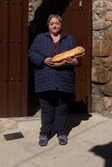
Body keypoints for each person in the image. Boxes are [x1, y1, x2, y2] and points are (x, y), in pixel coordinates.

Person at [28, 14, 79, 146]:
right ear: (48, 25)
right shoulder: (40, 38)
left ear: (61, 25)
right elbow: (31, 53)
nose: (55, 25)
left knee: (62, 109)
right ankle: (44, 134)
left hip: (64, 80)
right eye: (52, 23)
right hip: (45, 79)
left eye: (57, 23)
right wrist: (43, 60)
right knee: (47, 109)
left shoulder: (70, 39)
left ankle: (61, 133)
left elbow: (79, 58)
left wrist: (74, 62)